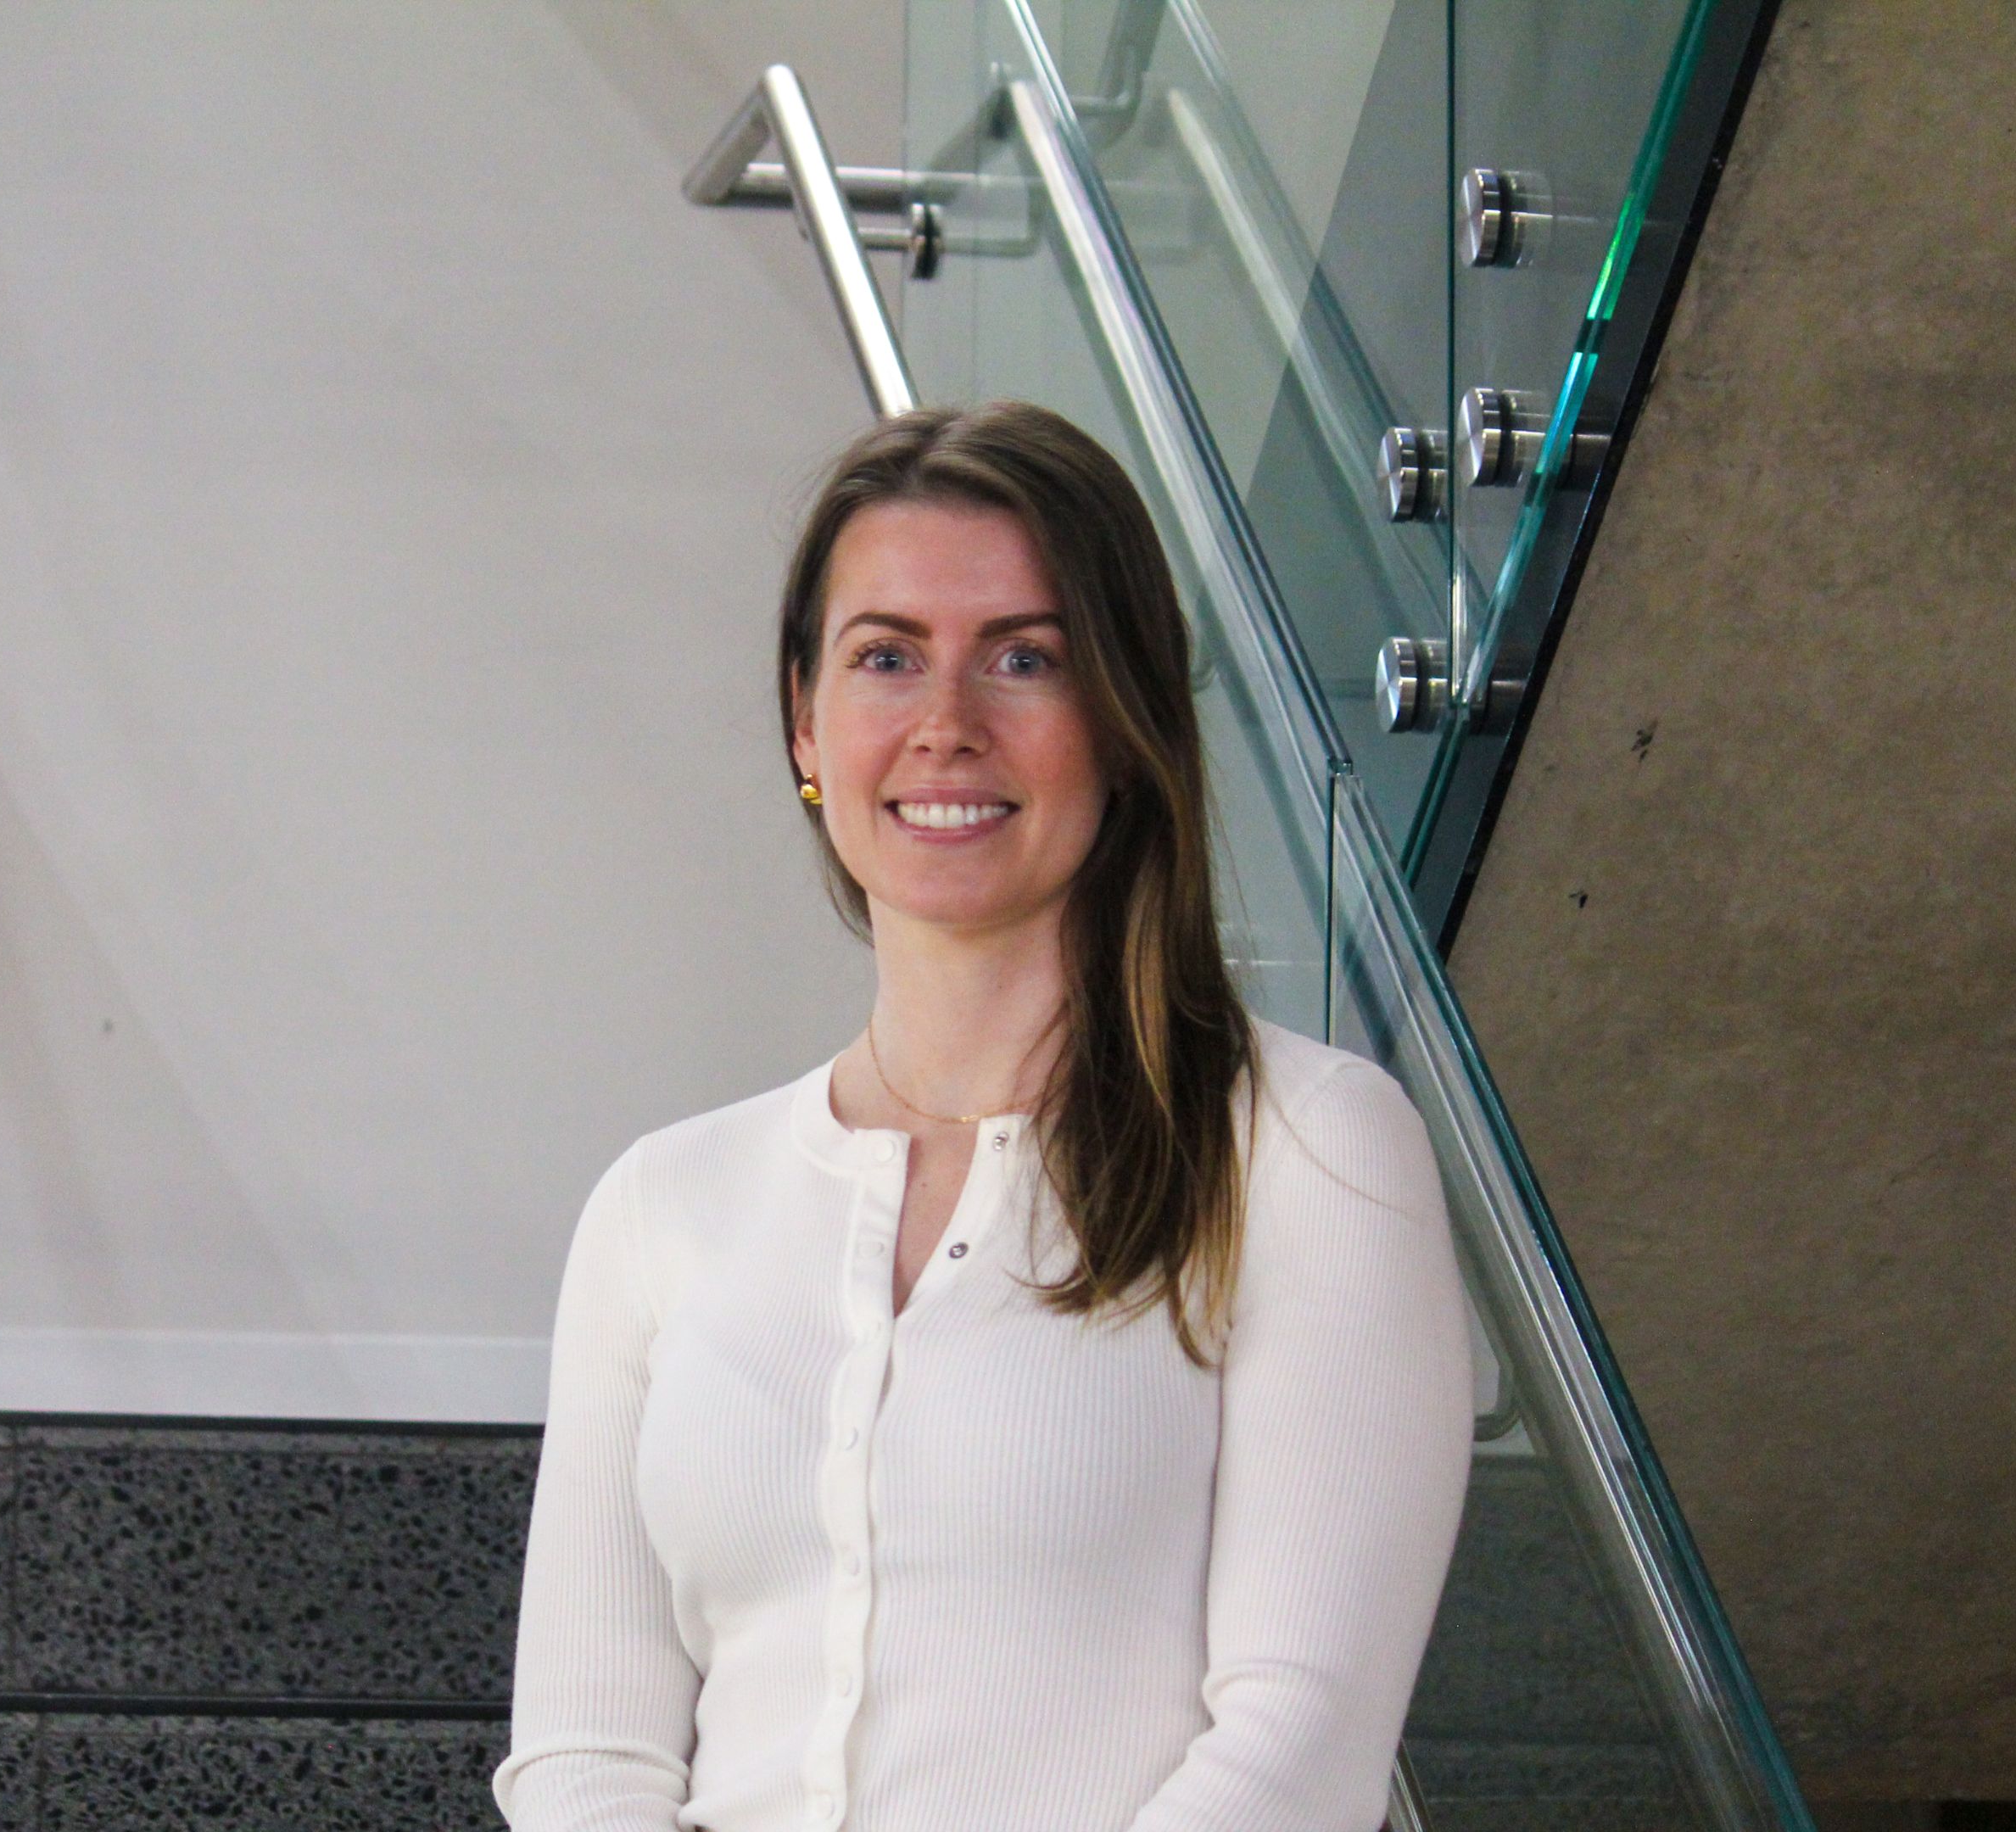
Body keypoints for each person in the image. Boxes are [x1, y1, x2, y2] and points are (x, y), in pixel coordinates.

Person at [493, 401, 1474, 1832]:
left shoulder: (1311, 1147)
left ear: (1125, 722)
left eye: (1025, 659)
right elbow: (588, 1756)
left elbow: (1302, 1741)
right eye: (886, 657)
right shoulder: (664, 1204)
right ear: (804, 721)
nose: (946, 725)